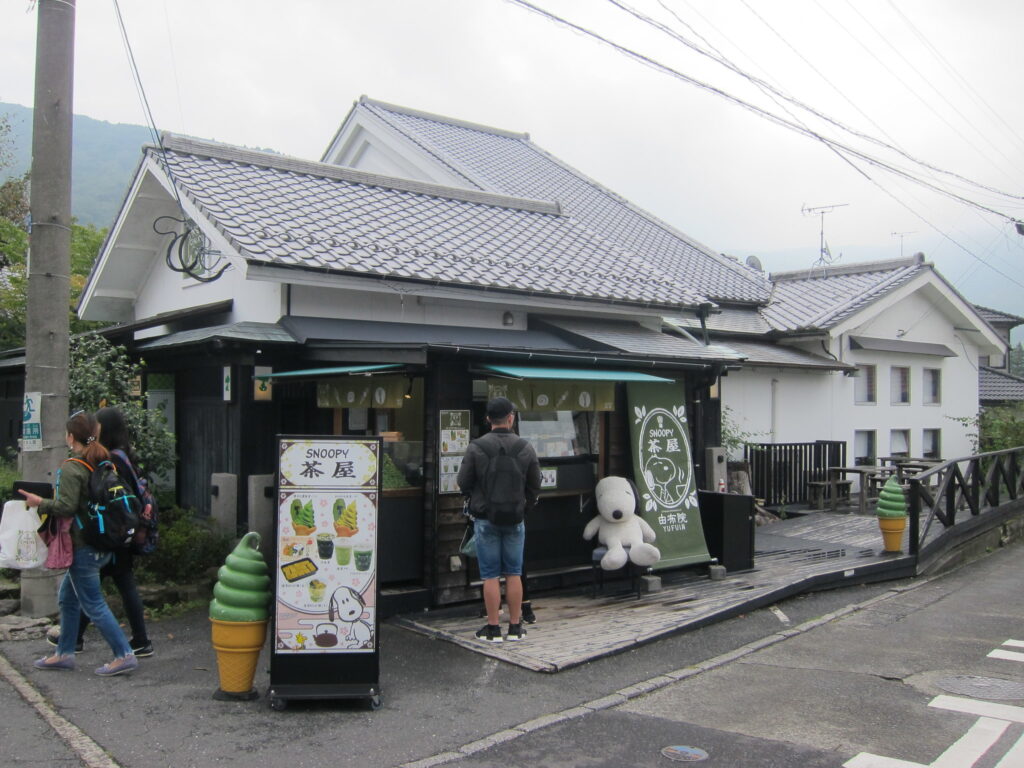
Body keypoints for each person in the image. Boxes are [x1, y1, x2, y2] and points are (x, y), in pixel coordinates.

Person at [20, 410, 138, 677]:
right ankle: (64, 653)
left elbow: (66, 507)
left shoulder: (72, 466)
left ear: (71, 436)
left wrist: (39, 503)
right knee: (68, 600)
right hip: (102, 541)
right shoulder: (100, 461)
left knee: (93, 603)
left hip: (83, 546)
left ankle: (124, 654)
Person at [46, 407, 153, 657]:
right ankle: (72, 644)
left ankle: (122, 650)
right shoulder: (122, 455)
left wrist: (40, 503)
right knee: (89, 592)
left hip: (108, 533)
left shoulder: (108, 459)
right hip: (121, 529)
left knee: (92, 598)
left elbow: (71, 505)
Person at [458, 396, 541, 643]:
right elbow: (535, 485)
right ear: (511, 418)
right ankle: (516, 627)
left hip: (485, 519)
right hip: (516, 519)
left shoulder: (477, 447)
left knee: (490, 575)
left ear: (487, 420)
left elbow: (463, 482)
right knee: (514, 573)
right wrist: (524, 506)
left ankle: (493, 628)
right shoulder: (525, 447)